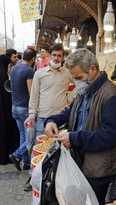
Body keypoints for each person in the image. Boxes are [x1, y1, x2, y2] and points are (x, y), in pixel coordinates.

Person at [44, 48, 116, 205]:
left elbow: (108, 135)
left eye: (80, 77)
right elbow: (71, 112)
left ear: (93, 69)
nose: (77, 82)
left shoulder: (112, 96)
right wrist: (51, 120)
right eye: (75, 78)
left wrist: (74, 138)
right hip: (83, 163)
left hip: (100, 169)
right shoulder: (84, 91)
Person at [24, 43, 74, 191]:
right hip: (43, 119)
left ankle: (54, 181)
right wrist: (32, 114)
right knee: (40, 150)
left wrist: (71, 98)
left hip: (62, 120)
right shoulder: (39, 73)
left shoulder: (67, 73)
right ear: (49, 56)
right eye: (54, 55)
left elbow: (78, 85)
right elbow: (34, 95)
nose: (57, 58)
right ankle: (34, 178)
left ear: (63, 57)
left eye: (60, 56)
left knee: (60, 151)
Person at [9, 48, 37, 171]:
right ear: (33, 59)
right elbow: (31, 91)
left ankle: (25, 162)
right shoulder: (29, 71)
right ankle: (16, 155)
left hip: (14, 107)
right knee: (31, 136)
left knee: (23, 136)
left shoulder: (14, 68)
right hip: (25, 108)